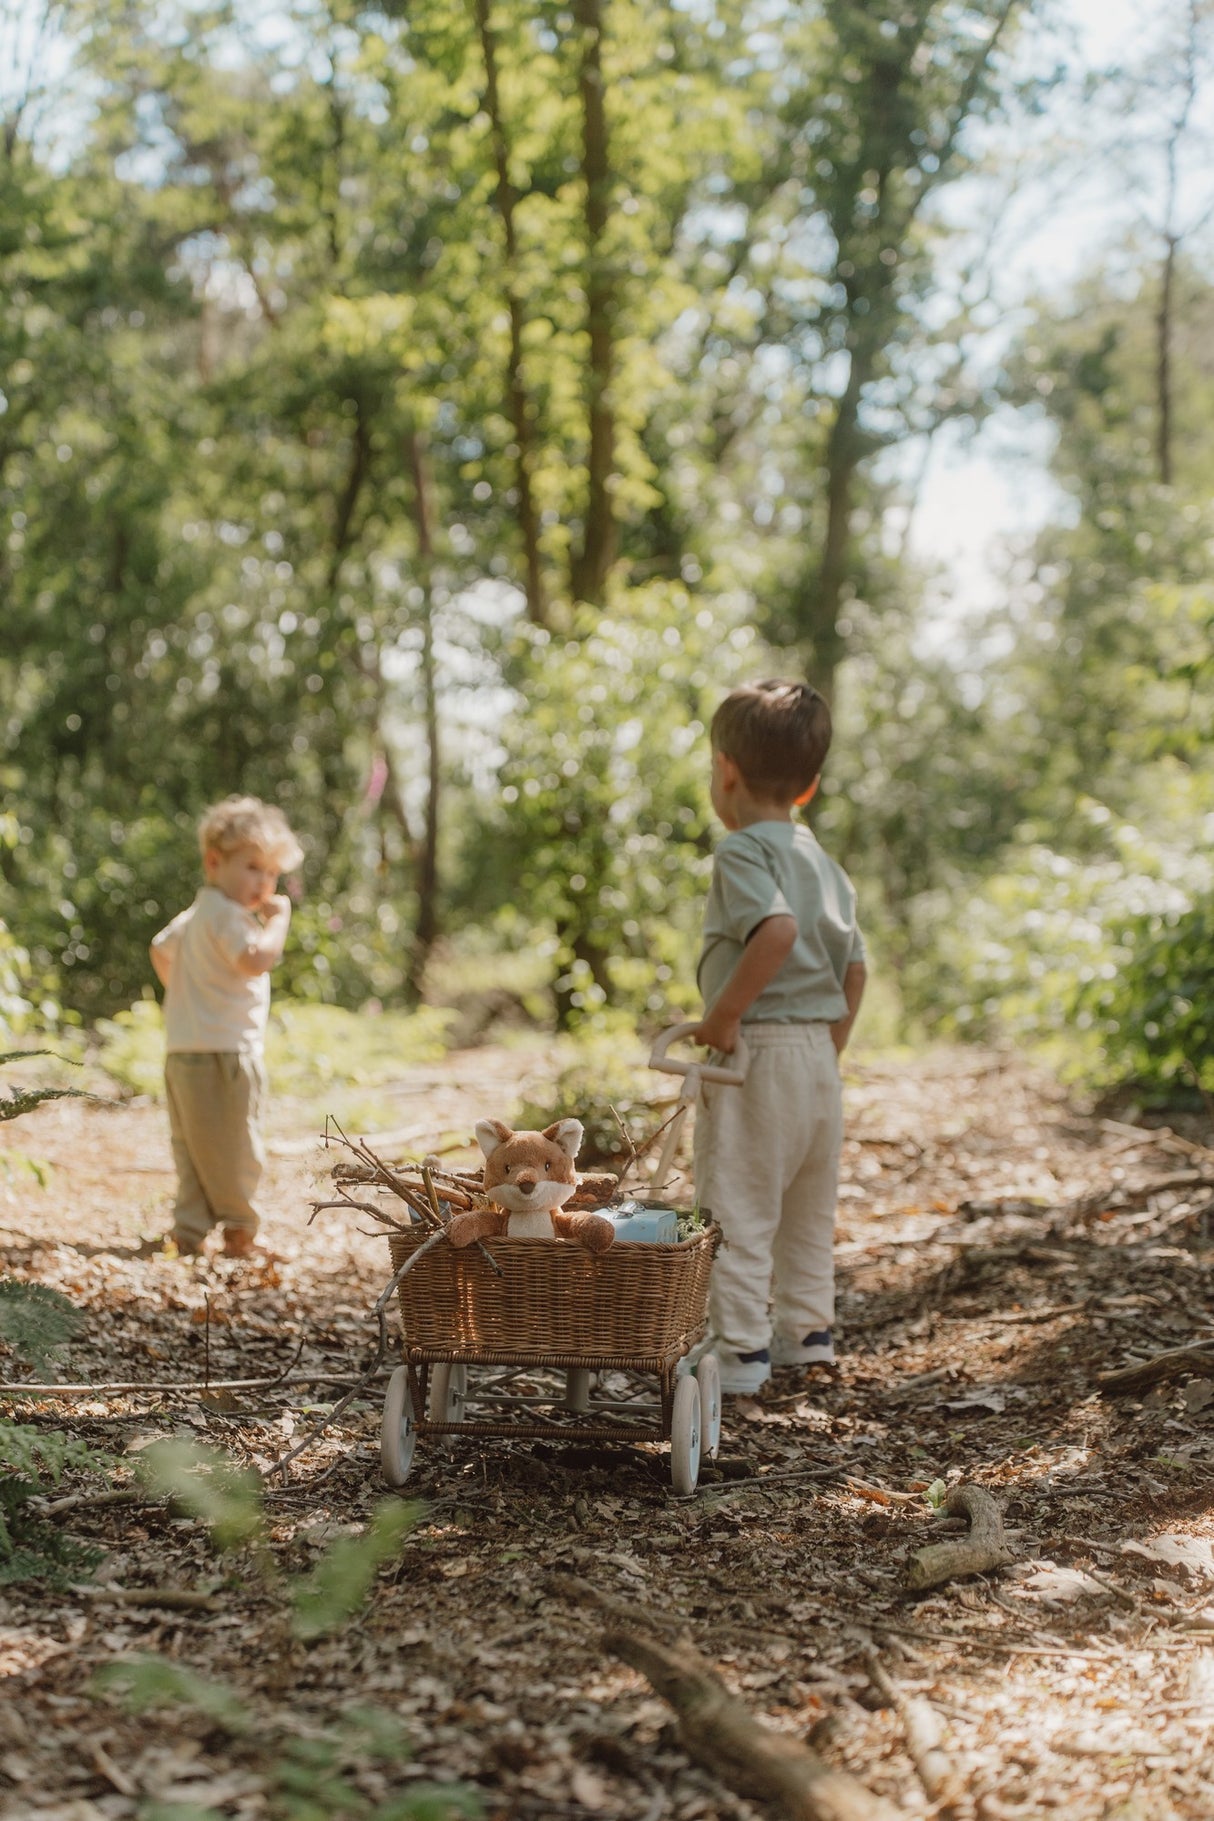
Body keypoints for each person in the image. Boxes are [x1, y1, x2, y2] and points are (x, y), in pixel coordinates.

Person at [687, 679, 866, 1393]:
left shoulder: (740, 853)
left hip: (755, 1053)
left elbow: (777, 929)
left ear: (725, 770)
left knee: (736, 1202)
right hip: (819, 1055)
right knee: (805, 1207)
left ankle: (738, 1354)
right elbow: (856, 968)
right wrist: (831, 1047)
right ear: (810, 785)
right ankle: (806, 1334)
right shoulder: (824, 862)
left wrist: (722, 1018)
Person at [149, 796, 304, 1258]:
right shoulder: (231, 916)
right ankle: (240, 1230)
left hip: (183, 1049)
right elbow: (255, 960)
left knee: (192, 1147)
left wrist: (190, 992)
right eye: (253, 868)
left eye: (272, 874)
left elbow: (160, 950)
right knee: (237, 1144)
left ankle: (189, 1230)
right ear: (215, 862)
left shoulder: (199, 912)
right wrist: (279, 922)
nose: (264, 882)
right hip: (226, 1052)